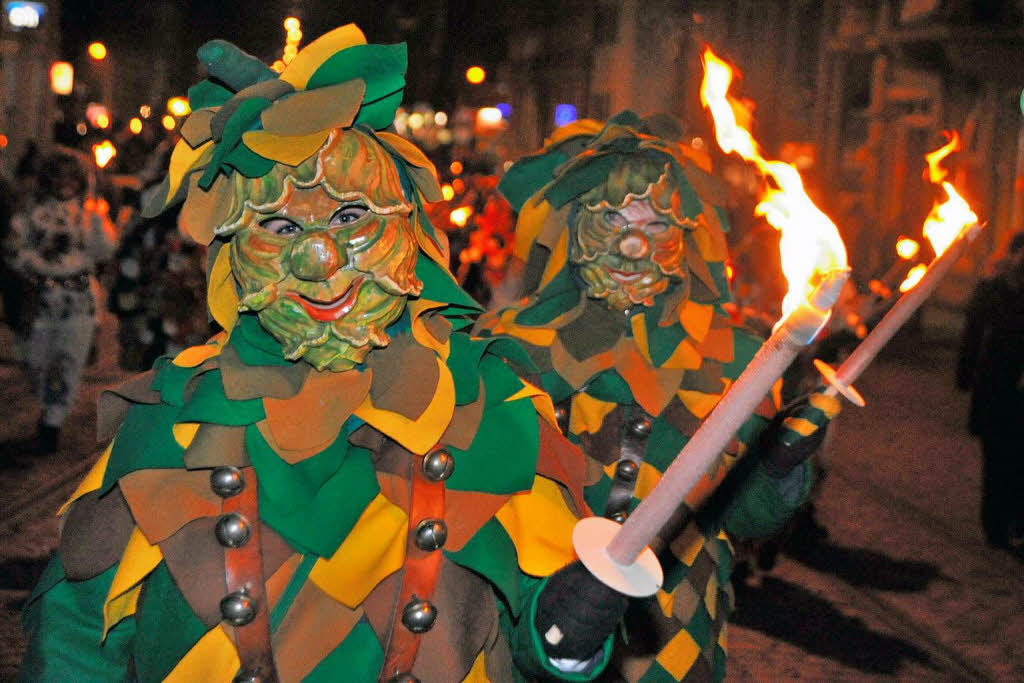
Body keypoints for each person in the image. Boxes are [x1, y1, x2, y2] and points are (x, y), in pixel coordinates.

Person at [21, 27, 641, 682]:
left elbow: (532, 635)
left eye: (350, 216)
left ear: (406, 233)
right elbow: (75, 637)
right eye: (284, 227)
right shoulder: (171, 418)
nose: (318, 259)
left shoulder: (491, 409)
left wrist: (565, 630)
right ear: (237, 250)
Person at [476, 112, 840, 681]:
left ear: (686, 235)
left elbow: (748, 519)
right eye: (612, 218)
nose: (630, 239)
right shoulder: (512, 348)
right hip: (532, 624)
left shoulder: (735, 357)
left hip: (674, 640)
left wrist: (777, 466)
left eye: (654, 221)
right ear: (574, 228)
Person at [6, 152, 116, 452]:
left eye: (72, 176)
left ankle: (52, 422)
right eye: (58, 176)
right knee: (35, 360)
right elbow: (14, 251)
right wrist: (35, 261)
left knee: (67, 361)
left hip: (78, 299)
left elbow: (105, 251)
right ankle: (47, 403)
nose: (65, 183)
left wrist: (96, 219)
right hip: (40, 299)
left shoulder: (91, 212)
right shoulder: (31, 212)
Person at [957, 231, 1024, 551]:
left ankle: (1017, 521)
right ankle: (996, 526)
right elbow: (973, 334)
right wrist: (965, 376)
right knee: (997, 459)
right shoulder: (990, 290)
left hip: (1021, 389)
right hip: (995, 385)